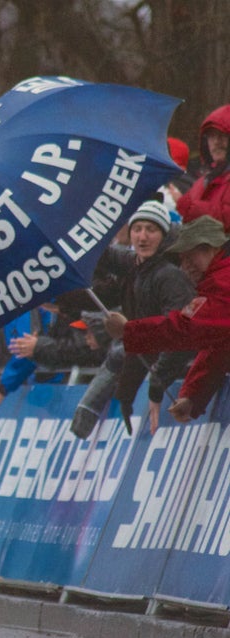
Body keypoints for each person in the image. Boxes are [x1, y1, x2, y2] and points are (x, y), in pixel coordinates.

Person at [106, 216, 230, 425]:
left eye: (190, 257)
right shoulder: (214, 283)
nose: (185, 266)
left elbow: (186, 330)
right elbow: (219, 347)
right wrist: (193, 397)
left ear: (210, 249)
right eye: (182, 259)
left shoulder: (223, 283)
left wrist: (129, 331)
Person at [89, 200, 195, 435]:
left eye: (151, 229)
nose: (142, 237)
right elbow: (104, 255)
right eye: (137, 229)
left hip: (188, 378)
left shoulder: (169, 276)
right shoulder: (136, 265)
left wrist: (157, 385)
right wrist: (126, 395)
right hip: (160, 371)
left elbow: (181, 335)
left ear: (164, 235)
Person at [177, 104, 230, 231]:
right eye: (211, 136)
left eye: (223, 136)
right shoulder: (204, 180)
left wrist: (197, 210)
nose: (216, 142)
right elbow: (184, 207)